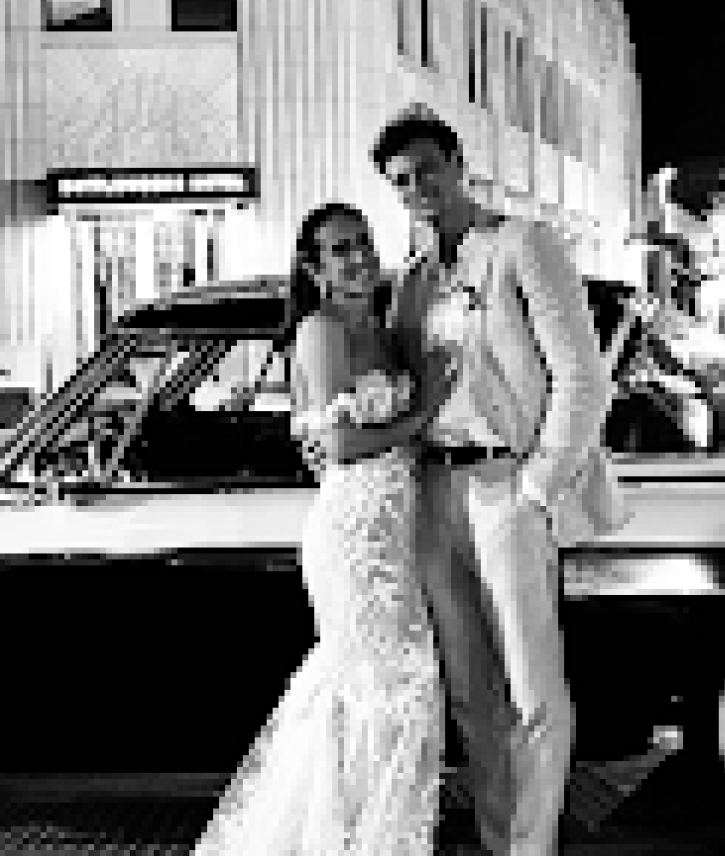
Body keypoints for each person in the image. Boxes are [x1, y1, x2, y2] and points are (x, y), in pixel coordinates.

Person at [378, 103, 631, 856]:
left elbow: (583, 378)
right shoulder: (413, 280)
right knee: (469, 695)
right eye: (401, 180)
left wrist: (537, 487)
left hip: (504, 486)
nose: (417, 186)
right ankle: (497, 840)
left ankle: (532, 846)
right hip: (433, 493)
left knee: (531, 690)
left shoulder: (522, 244)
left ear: (458, 165)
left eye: (427, 169)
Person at [193, 202, 447, 855]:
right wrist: (423, 418)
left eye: (361, 242)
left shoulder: (384, 328)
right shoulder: (321, 329)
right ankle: (351, 839)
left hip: (393, 527)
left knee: (400, 684)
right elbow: (339, 443)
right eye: (339, 250)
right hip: (355, 533)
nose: (357, 257)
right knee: (376, 686)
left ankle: (377, 834)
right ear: (314, 267)